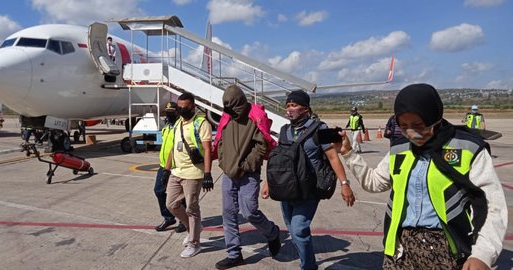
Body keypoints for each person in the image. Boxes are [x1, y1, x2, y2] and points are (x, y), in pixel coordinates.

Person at [338, 83, 507, 269]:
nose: (411, 133)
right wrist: (349, 153)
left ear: (435, 117)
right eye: (403, 126)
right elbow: (374, 183)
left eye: (418, 125)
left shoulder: (467, 148)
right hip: (401, 249)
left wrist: (482, 254)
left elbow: (492, 205)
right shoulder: (400, 149)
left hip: (448, 251)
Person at [262, 90, 356, 270]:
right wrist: (268, 183)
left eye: (294, 105)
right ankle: (309, 262)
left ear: (305, 109)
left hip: (309, 189)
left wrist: (345, 184)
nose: (289, 109)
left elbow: (333, 157)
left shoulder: (321, 128)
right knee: (294, 231)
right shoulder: (284, 130)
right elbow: (279, 159)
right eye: (288, 105)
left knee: (299, 229)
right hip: (287, 188)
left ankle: (308, 267)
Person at [213, 85, 281, 269]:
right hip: (228, 172)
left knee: (249, 211)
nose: (230, 111)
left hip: (248, 173)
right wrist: (223, 162)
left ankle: (272, 233)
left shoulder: (255, 117)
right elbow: (219, 141)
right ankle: (234, 254)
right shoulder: (227, 118)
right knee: (228, 213)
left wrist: (245, 166)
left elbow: (261, 146)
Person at [164, 92, 213, 258]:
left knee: (192, 209)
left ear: (193, 106)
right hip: (176, 171)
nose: (182, 110)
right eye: (180, 107)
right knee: (171, 204)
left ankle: (194, 243)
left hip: (193, 173)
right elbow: (173, 146)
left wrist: (207, 173)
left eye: (185, 107)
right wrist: (167, 167)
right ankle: (193, 228)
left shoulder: (201, 123)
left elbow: (207, 149)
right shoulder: (178, 122)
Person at [153, 101, 186, 233]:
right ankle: (168, 217)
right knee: (159, 191)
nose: (169, 114)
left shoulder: (181, 126)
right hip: (163, 165)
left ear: (177, 112)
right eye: (167, 112)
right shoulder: (167, 127)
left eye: (171, 112)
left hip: (176, 166)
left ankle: (184, 220)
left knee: (180, 196)